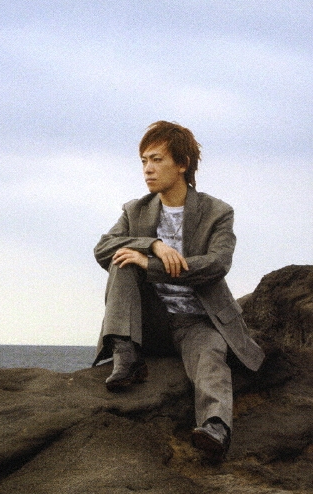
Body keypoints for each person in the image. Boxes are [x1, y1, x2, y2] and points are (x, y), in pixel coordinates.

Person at [93, 121, 265, 461]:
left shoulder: (217, 212)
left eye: (156, 160)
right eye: (144, 161)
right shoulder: (135, 210)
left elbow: (217, 264)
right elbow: (102, 248)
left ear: (182, 163)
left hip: (196, 320)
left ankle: (215, 427)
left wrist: (151, 265)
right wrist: (152, 246)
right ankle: (127, 354)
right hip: (150, 321)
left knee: (211, 357)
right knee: (122, 259)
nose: (147, 169)